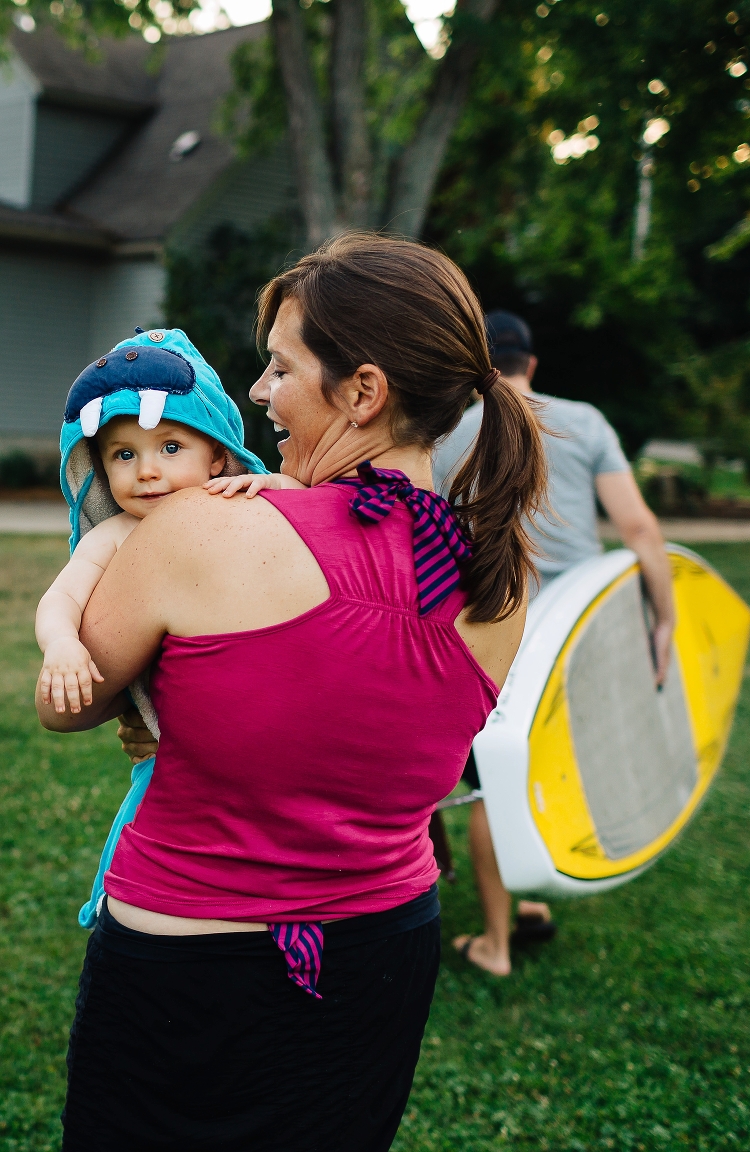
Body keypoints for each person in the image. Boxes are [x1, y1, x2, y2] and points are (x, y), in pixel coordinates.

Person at [36, 234, 548, 1152]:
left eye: (279, 367)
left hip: (185, 967)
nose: (259, 393)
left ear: (363, 392)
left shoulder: (202, 530)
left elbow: (66, 701)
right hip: (384, 952)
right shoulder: (500, 580)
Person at [433, 310, 675, 978]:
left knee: (489, 782)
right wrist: (663, 619)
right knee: (545, 770)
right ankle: (508, 924)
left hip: (490, 627)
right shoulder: (586, 421)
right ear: (531, 364)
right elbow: (641, 530)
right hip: (578, 632)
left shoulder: (447, 428)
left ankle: (497, 939)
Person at [35, 329, 271, 929]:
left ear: (218, 454)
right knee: (153, 826)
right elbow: (59, 598)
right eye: (123, 455)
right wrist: (63, 643)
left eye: (171, 447)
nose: (147, 472)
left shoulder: (242, 504)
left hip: (259, 729)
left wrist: (274, 481)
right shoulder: (114, 537)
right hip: (166, 742)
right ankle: (116, 903)